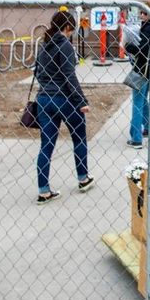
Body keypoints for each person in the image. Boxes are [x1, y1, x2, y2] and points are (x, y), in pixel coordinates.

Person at [34, 11, 94, 202]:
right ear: (68, 27)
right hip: (65, 99)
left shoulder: (44, 45)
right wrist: (81, 101)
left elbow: (37, 72)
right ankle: (83, 178)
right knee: (79, 137)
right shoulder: (65, 45)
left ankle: (43, 190)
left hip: (44, 99)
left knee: (46, 145)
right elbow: (69, 76)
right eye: (72, 29)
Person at [124, 8, 150, 148]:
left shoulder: (147, 28)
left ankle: (136, 138)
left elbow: (142, 49)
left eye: (144, 13)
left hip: (142, 69)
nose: (141, 15)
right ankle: (148, 128)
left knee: (137, 102)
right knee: (143, 100)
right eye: (141, 12)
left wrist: (128, 46)